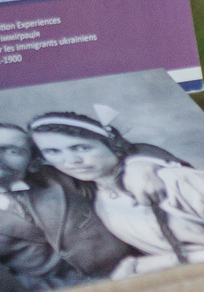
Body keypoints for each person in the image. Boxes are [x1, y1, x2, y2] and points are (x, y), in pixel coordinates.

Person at [27, 111, 204, 272]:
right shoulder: (98, 198)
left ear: (113, 145)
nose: (70, 161)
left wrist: (159, 264)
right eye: (53, 152)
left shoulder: (177, 181)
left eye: (81, 148)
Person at [0, 121, 128, 286]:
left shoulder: (61, 177)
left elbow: (130, 152)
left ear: (34, 163)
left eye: (12, 151)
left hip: (133, 274)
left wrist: (140, 166)